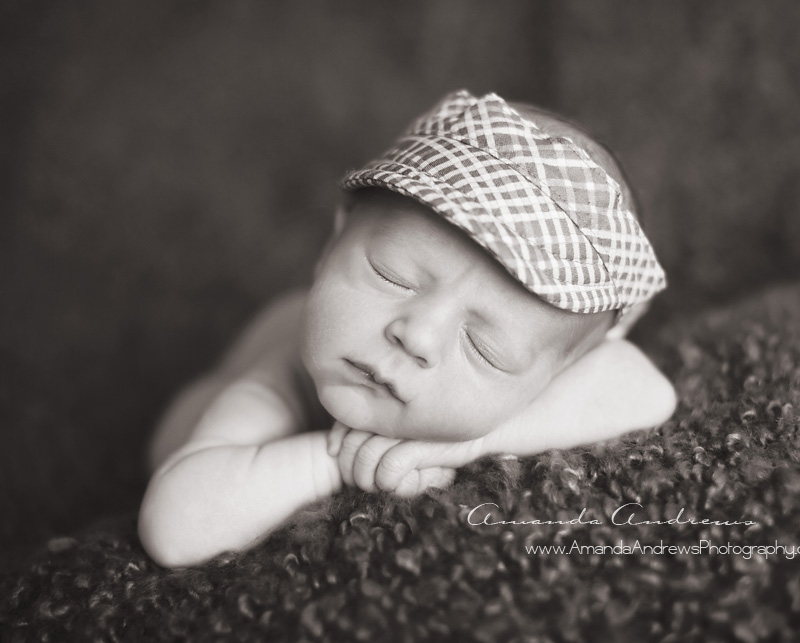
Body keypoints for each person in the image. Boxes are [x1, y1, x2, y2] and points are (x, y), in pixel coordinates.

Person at [138, 90, 677, 568]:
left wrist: (459, 445)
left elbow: (645, 389)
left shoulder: (556, 378)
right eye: (391, 275)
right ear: (334, 242)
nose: (416, 335)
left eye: (484, 349)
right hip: (207, 430)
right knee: (184, 425)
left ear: (555, 375)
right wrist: (338, 461)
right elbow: (175, 527)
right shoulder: (280, 370)